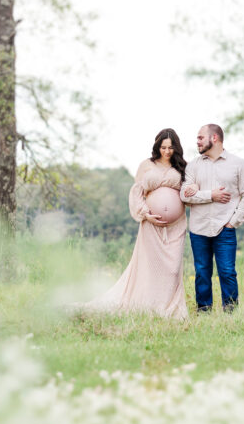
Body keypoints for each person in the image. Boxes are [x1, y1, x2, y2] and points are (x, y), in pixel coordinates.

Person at [83, 128, 193, 320]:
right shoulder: (146, 165)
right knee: (150, 267)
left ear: (176, 148)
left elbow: (190, 192)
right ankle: (150, 306)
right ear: (157, 146)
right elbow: (137, 193)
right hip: (150, 225)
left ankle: (169, 308)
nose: (167, 151)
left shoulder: (183, 167)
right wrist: (146, 214)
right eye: (163, 147)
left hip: (175, 227)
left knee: (173, 269)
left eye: (170, 148)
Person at [180, 124, 244, 312]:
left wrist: (233, 222)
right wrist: (210, 195)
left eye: (200, 138)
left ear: (214, 138)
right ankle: (203, 311)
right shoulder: (193, 165)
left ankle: (231, 313)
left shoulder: (238, 164)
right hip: (199, 228)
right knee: (202, 273)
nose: (197, 141)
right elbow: (184, 195)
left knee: (227, 272)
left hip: (225, 228)